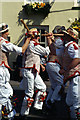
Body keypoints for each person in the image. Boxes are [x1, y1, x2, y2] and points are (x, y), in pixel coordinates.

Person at [0, 22, 30, 120]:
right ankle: (7, 116)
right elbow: (21, 50)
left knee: (7, 93)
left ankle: (8, 115)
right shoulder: (3, 42)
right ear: (2, 33)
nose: (8, 34)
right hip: (1, 71)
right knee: (5, 95)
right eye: (6, 32)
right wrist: (28, 39)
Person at [19, 28, 50, 119]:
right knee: (29, 93)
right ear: (34, 37)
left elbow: (34, 56)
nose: (38, 38)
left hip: (33, 71)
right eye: (37, 36)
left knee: (43, 88)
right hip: (29, 71)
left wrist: (40, 64)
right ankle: (23, 114)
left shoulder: (29, 43)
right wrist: (49, 41)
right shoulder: (33, 44)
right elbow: (45, 52)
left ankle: (37, 107)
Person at [43, 25, 65, 115]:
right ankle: (51, 101)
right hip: (54, 64)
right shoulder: (59, 41)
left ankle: (48, 103)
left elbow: (51, 45)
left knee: (54, 86)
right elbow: (53, 46)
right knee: (60, 84)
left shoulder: (56, 41)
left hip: (51, 64)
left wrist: (50, 38)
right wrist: (51, 38)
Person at [59, 27, 80, 120]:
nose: (63, 36)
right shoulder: (67, 46)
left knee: (75, 98)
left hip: (75, 75)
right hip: (72, 75)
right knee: (70, 100)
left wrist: (65, 69)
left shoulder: (72, 45)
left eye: (66, 35)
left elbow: (77, 59)